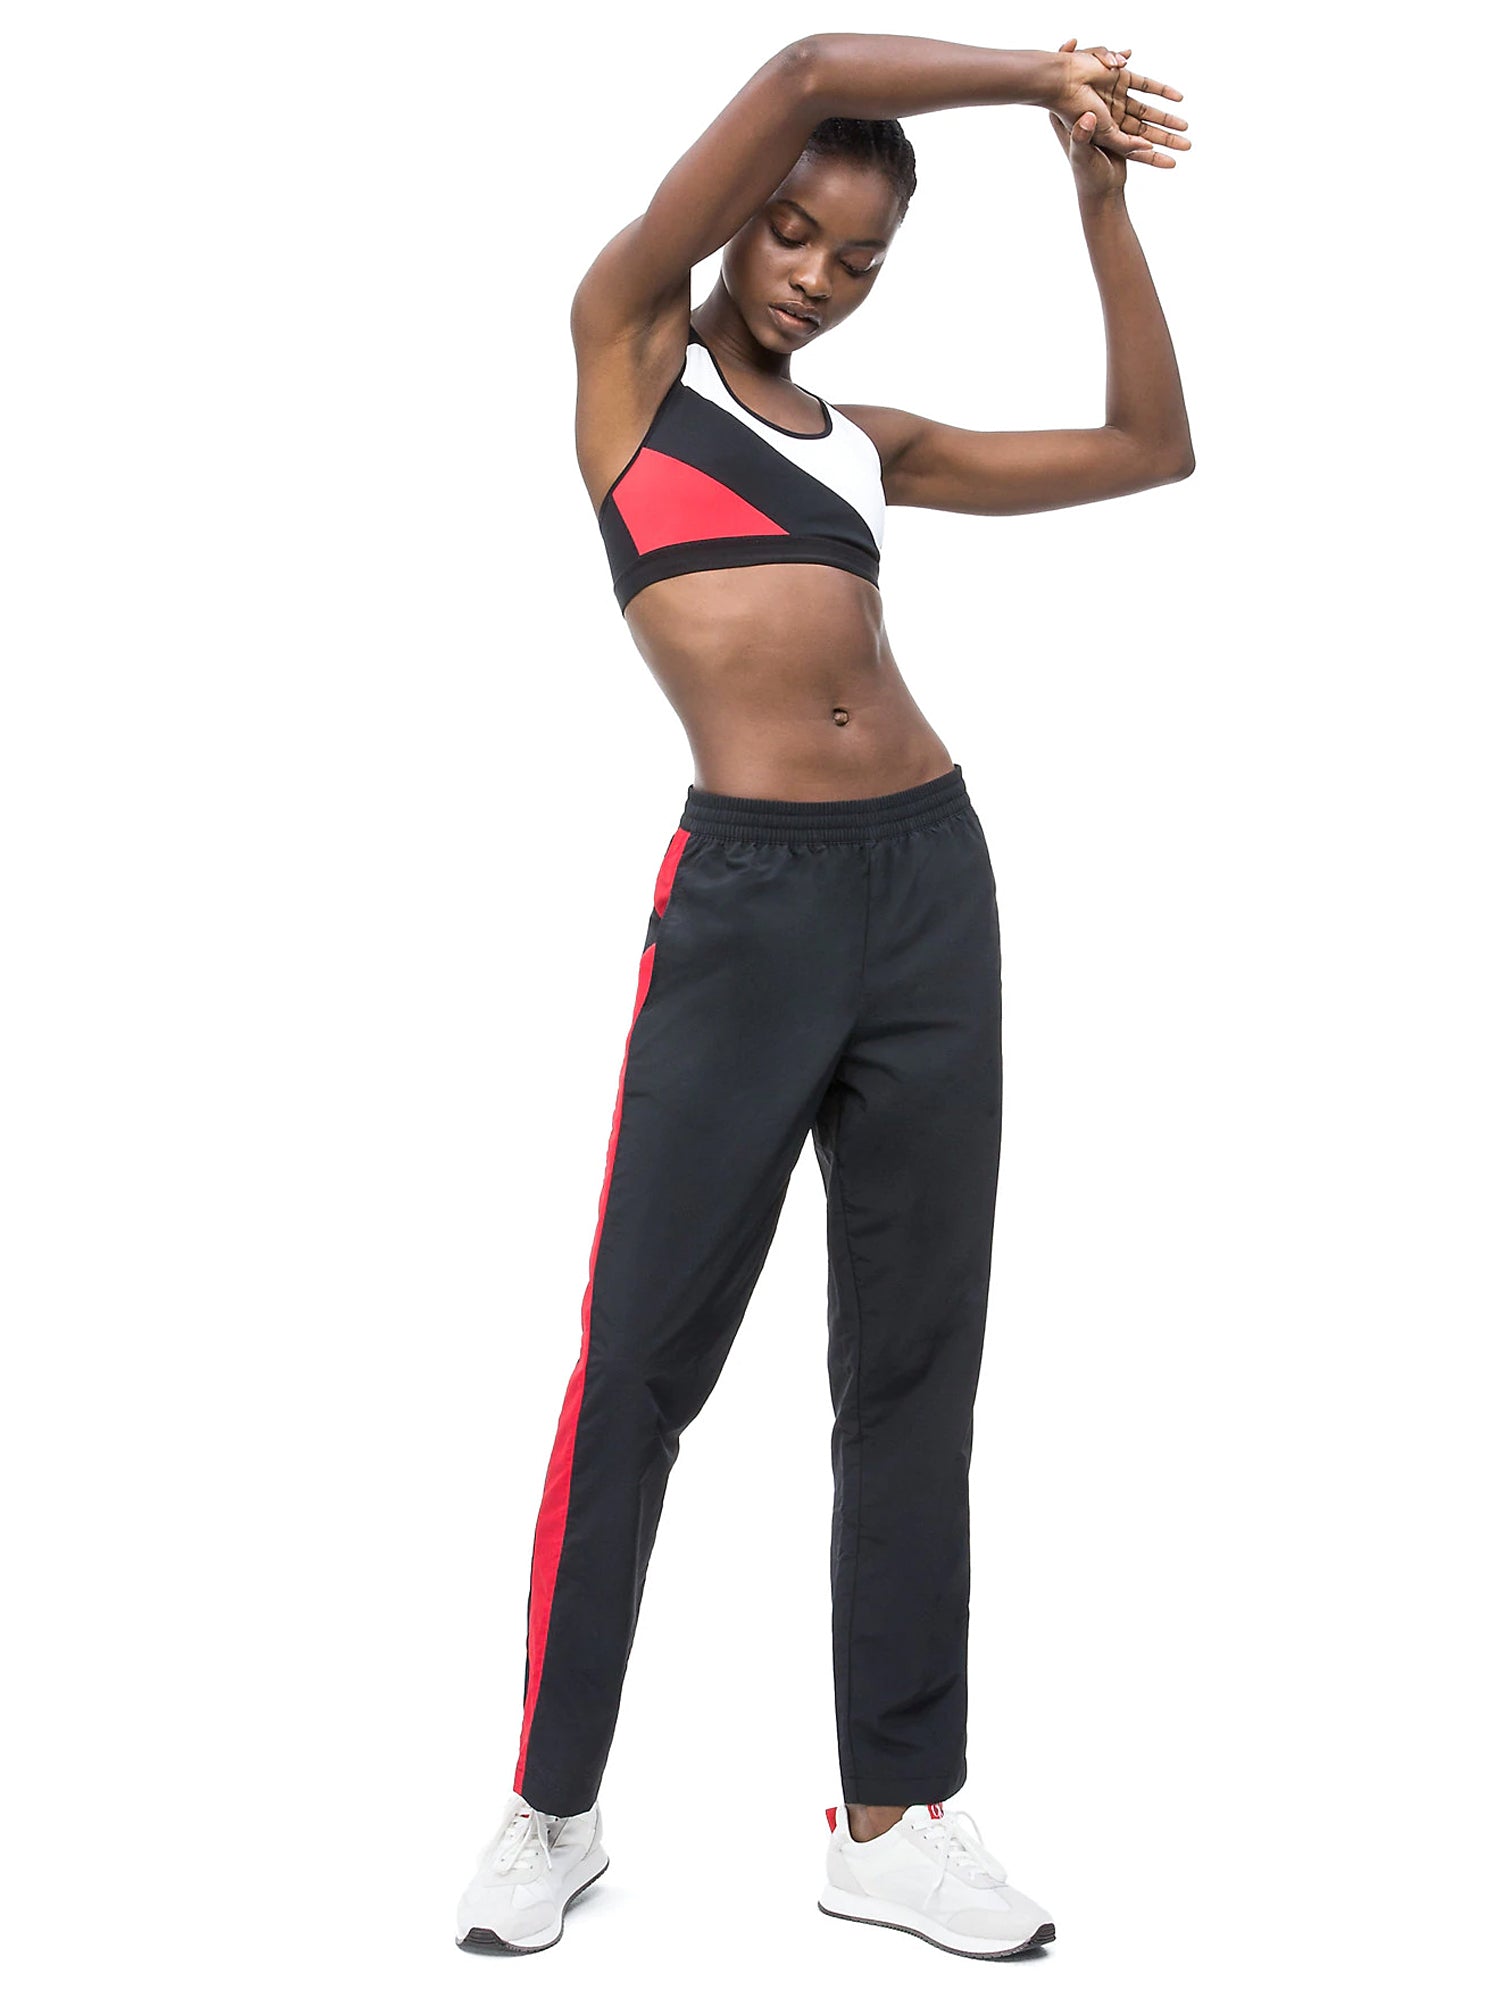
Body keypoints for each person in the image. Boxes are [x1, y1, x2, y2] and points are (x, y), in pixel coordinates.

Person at [455, 30, 1192, 1959]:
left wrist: (1097, 202)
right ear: (739, 221)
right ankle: (549, 1809)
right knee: (639, 1365)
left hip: (932, 892)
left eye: (858, 258)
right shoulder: (632, 355)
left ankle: (895, 1814)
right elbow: (802, 68)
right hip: (750, 911)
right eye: (792, 234)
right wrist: (1039, 75)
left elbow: (1150, 446)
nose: (814, 275)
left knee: (914, 1368)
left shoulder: (866, 444)